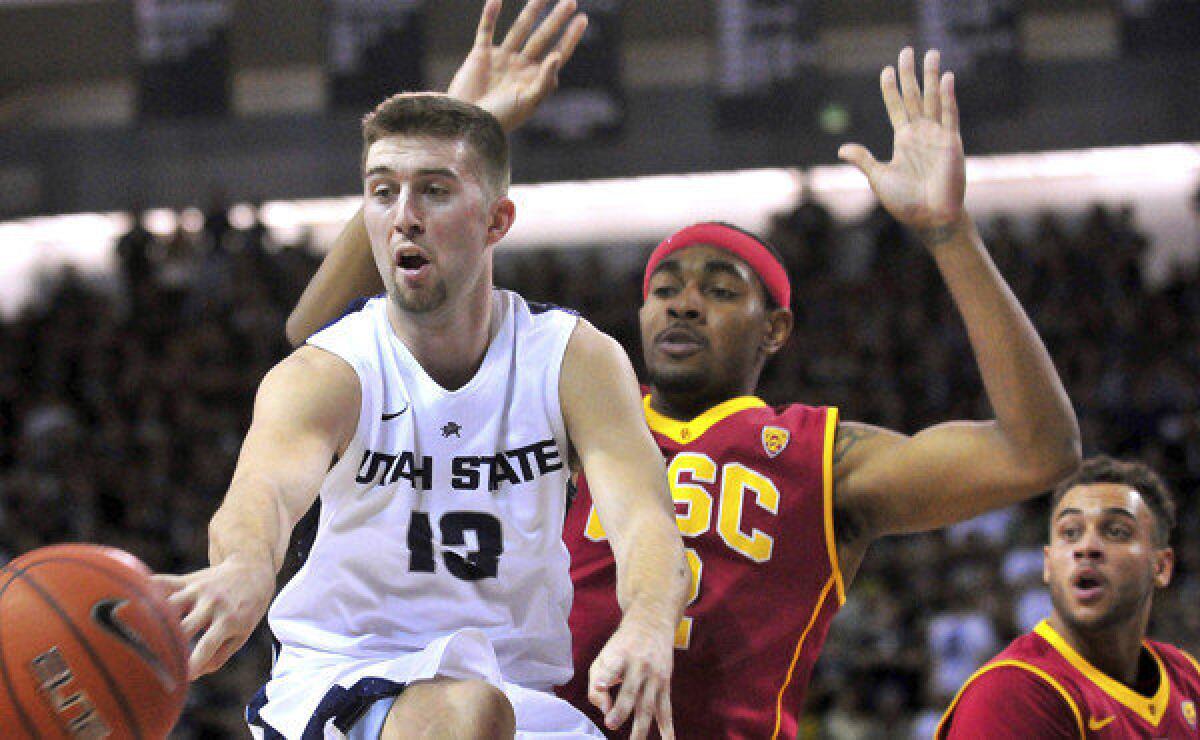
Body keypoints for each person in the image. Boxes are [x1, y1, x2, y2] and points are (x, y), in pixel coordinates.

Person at [286, 28, 1082, 740]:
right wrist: (447, 143)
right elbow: (318, 336)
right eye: (664, 287)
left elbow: (1037, 452)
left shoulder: (821, 454)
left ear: (774, 329)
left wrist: (949, 234)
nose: (683, 301)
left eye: (719, 288)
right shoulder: (561, 402)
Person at [154, 3, 689, 739]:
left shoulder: (574, 358)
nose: (403, 214)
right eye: (382, 191)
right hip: (344, 677)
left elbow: (644, 520)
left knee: (481, 708)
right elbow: (264, 494)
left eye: (434, 191)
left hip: (521, 696)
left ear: (497, 221)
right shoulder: (330, 370)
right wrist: (246, 567)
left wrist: (649, 623)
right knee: (465, 713)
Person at [937, 456, 1200, 738]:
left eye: (1116, 531)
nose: (1086, 547)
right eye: (1070, 532)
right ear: (1048, 565)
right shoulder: (1014, 691)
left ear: (1160, 567)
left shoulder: (1186, 676)